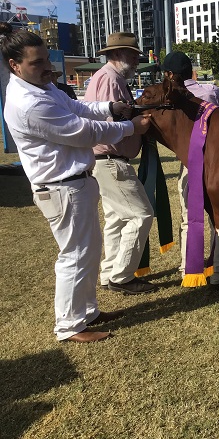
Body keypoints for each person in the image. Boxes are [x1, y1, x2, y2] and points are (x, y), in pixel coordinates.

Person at [0, 22, 151, 342]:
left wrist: (109, 107)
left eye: (46, 59)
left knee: (88, 252)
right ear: (15, 65)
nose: (46, 68)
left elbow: (77, 107)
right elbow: (83, 130)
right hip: (60, 186)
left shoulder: (41, 88)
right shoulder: (30, 103)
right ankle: (69, 325)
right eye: (36, 62)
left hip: (73, 184)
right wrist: (129, 127)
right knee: (74, 257)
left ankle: (87, 312)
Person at [84, 32, 157, 295]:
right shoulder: (109, 79)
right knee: (141, 214)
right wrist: (134, 126)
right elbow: (105, 124)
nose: (137, 59)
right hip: (111, 159)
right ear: (116, 55)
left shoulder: (110, 78)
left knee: (116, 218)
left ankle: (110, 273)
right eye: (132, 54)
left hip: (108, 159)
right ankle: (122, 276)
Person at [161, 51, 219, 289]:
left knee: (187, 218)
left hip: (188, 165)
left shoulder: (167, 98)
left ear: (170, 75)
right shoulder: (210, 91)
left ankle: (187, 270)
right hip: (217, 165)